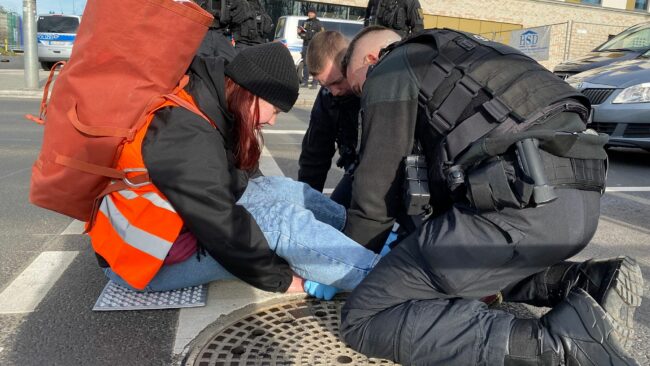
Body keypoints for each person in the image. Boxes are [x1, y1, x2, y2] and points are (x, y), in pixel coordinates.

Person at [338, 26, 643, 365]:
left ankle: (554, 345)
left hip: (517, 210)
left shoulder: (390, 68)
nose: (358, 97)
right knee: (475, 273)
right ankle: (590, 281)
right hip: (575, 211)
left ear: (369, 60)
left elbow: (374, 195)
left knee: (364, 318)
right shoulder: (468, 55)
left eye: (355, 87)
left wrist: (345, 267)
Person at [88, 43, 381, 298]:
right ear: (252, 93)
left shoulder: (209, 101)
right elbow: (224, 229)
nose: (273, 122)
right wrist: (285, 278)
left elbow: (236, 185)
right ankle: (381, 278)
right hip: (142, 262)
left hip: (179, 235)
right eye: (275, 110)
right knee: (279, 223)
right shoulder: (186, 133)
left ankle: (360, 237)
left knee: (282, 190)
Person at [298, 31, 360, 209]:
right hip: (355, 169)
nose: (334, 91)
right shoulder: (328, 96)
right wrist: (307, 207)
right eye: (326, 85)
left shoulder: (374, 87)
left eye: (337, 82)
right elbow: (315, 155)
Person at [201, 0, 273, 49]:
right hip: (239, 43)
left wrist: (264, 19)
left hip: (257, 44)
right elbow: (224, 17)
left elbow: (266, 23)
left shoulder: (257, 4)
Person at [298, 8, 324, 88]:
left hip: (314, 45)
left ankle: (314, 83)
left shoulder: (318, 23)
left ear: (315, 14)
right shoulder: (305, 22)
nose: (310, 14)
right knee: (306, 64)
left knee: (314, 64)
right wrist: (300, 32)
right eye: (309, 13)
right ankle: (305, 82)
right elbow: (301, 33)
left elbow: (321, 35)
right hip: (305, 45)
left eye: (312, 13)